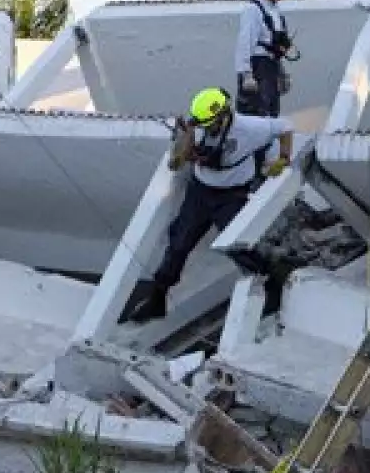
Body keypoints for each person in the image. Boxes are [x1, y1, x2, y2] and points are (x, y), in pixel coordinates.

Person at [124, 89, 294, 323]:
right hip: (200, 192)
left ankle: (271, 284)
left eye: (212, 125)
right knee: (178, 243)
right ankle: (158, 297)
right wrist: (184, 146)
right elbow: (177, 161)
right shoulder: (197, 127)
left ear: (225, 115)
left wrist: (283, 158)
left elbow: (284, 126)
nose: (208, 129)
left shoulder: (250, 128)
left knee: (238, 245)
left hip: (232, 195)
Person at [236, 0, 295, 119]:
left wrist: (282, 73)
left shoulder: (275, 11)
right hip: (257, 69)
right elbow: (245, 43)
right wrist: (246, 75)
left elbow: (275, 48)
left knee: (271, 117)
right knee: (256, 118)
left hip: (271, 69)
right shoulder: (253, 10)